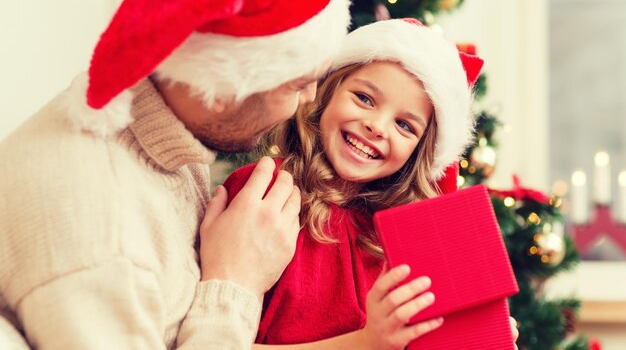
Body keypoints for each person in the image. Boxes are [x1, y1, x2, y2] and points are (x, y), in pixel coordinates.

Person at [0, 0, 351, 349]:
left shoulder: (165, 118)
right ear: (223, 90)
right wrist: (235, 283)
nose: (309, 99)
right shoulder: (102, 244)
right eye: (298, 84)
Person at [218, 18, 519, 350]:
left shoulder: (409, 244)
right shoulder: (264, 195)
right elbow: (212, 339)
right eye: (364, 98)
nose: (377, 126)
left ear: (418, 152)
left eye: (404, 125)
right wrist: (366, 343)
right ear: (327, 92)